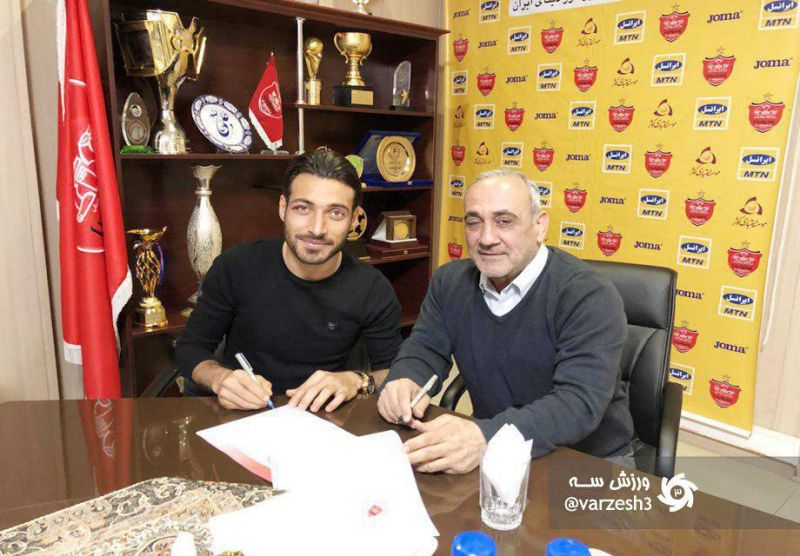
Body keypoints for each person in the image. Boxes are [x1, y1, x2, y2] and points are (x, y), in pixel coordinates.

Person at [378, 169, 634, 474]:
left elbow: (577, 403)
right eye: (474, 222)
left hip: (584, 459)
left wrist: (485, 436)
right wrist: (405, 379)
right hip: (496, 448)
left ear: (539, 226)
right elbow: (425, 348)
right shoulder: (450, 281)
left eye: (504, 221)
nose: (486, 239)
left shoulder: (588, 294)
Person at [176, 149, 402, 412]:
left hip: (326, 419)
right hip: (242, 415)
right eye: (303, 208)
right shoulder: (235, 268)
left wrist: (357, 380)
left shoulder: (372, 288)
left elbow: (397, 373)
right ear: (283, 208)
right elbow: (190, 349)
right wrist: (221, 379)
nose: (317, 228)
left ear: (354, 220)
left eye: (336, 213)